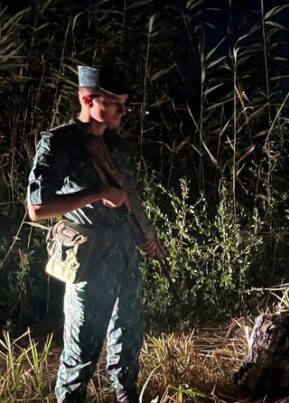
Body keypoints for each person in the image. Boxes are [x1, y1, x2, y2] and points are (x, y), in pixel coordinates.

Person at [27, 65, 163, 402]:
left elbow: (126, 194)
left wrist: (145, 234)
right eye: (116, 102)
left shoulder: (116, 145)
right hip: (88, 259)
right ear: (88, 99)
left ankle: (126, 393)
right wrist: (95, 193)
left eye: (126, 103)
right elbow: (37, 208)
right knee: (82, 346)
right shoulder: (59, 142)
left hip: (123, 252)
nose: (123, 110)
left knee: (129, 335)